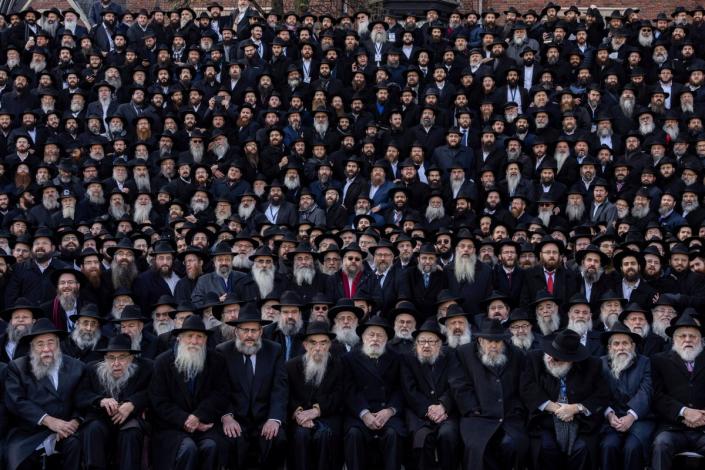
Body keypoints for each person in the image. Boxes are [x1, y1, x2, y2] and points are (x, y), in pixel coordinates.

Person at [520, 328, 609, 470]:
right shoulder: (534, 358)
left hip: (581, 423)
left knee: (581, 449)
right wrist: (557, 409)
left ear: (571, 360)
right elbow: (527, 388)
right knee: (546, 448)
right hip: (544, 420)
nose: (550, 358)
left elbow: (602, 395)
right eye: (550, 353)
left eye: (556, 357)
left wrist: (576, 408)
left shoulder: (592, 364)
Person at [149, 315, 228, 470]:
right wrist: (186, 419)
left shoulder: (216, 360)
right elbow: (159, 401)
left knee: (211, 446)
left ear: (205, 339)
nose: (194, 341)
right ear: (179, 338)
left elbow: (220, 394)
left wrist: (197, 417)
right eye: (189, 336)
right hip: (172, 427)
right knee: (187, 449)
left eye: (199, 336)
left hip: (205, 423)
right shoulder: (162, 362)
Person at [4, 318, 84, 470]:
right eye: (40, 344)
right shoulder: (18, 367)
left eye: (50, 342)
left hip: (66, 429)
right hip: (30, 432)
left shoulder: (77, 367)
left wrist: (75, 421)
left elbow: (82, 398)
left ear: (58, 344)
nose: (46, 349)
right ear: (32, 347)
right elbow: (16, 401)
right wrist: (47, 420)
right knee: (17, 460)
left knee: (75, 444)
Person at [450, 318, 529, 470]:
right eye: (489, 341)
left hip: (509, 417)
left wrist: (517, 409)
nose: (493, 345)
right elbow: (459, 384)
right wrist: (472, 408)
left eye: (498, 341)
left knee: (513, 445)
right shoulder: (463, 353)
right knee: (479, 449)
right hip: (478, 418)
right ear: (480, 340)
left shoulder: (517, 354)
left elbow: (524, 386)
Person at [217, 303, 288, 469]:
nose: (249, 335)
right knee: (230, 440)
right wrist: (226, 416)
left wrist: (274, 419)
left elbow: (280, 388)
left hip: (264, 418)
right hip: (236, 419)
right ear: (236, 331)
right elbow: (220, 390)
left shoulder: (274, 350)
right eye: (244, 330)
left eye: (254, 330)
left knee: (279, 438)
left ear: (261, 332)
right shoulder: (223, 352)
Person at [77, 333, 153, 470]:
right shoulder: (92, 369)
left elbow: (153, 392)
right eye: (111, 358)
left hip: (129, 419)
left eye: (122, 357)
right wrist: (100, 400)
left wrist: (132, 403)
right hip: (100, 418)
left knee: (131, 432)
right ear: (105, 358)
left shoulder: (146, 368)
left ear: (131, 358)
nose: (116, 363)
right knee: (92, 429)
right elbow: (81, 395)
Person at [343, 315, 406, 470]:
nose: (375, 339)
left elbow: (401, 388)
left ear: (386, 339)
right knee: (353, 435)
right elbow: (348, 389)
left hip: (387, 413)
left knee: (393, 433)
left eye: (380, 335)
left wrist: (390, 410)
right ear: (363, 337)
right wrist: (364, 413)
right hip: (359, 413)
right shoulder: (349, 358)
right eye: (371, 334)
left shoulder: (396, 358)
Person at [401, 318, 459, 470]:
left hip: (446, 412)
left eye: (431, 341)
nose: (426, 345)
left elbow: (456, 385)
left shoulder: (451, 357)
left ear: (439, 344)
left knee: (448, 435)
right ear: (416, 344)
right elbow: (409, 390)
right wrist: (429, 409)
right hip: (418, 413)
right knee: (421, 439)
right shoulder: (408, 359)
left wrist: (443, 406)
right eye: (422, 341)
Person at [651, 310, 705, 470]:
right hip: (672, 427)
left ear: (701, 340)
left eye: (692, 336)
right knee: (661, 445)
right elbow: (657, 396)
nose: (687, 339)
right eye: (682, 336)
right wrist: (684, 412)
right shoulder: (659, 360)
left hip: (703, 427)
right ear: (674, 339)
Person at [286, 321, 343, 470]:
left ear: (329, 345)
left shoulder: (338, 366)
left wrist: (317, 410)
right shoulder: (291, 366)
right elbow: (286, 395)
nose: (318, 348)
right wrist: (299, 414)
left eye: (323, 343)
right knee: (301, 435)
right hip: (298, 418)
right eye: (313, 343)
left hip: (327, 416)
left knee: (324, 435)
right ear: (305, 345)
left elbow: (339, 396)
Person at [599, 322, 655, 470]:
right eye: (616, 344)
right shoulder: (601, 364)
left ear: (633, 346)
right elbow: (598, 393)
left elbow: (646, 392)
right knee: (609, 446)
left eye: (625, 343)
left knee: (633, 447)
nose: (621, 347)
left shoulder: (645, 362)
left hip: (639, 419)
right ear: (609, 348)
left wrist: (631, 416)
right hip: (612, 420)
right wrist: (609, 414)